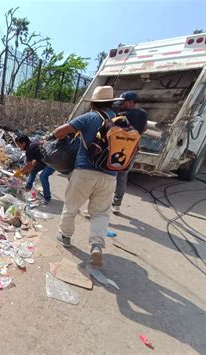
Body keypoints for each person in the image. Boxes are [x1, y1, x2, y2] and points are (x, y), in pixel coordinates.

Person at [53, 86, 122, 266]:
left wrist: (55, 137)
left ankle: (65, 236)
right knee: (100, 213)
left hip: (84, 171)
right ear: (112, 102)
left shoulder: (90, 117)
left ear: (93, 103)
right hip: (110, 175)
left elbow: (60, 131)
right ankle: (97, 245)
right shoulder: (121, 121)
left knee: (71, 206)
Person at [112, 91, 148, 214]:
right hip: (133, 150)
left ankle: (103, 203)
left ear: (131, 102)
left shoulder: (121, 115)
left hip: (118, 149)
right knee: (123, 176)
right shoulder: (143, 114)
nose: (121, 103)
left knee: (110, 175)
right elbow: (144, 129)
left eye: (123, 101)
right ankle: (117, 204)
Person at [15, 134, 55, 204]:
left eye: (18, 144)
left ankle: (47, 198)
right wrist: (27, 170)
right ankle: (28, 187)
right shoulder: (33, 145)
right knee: (33, 170)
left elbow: (29, 164)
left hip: (53, 163)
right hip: (46, 162)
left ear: (23, 143)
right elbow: (35, 161)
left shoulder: (30, 149)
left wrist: (19, 173)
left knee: (43, 176)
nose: (18, 146)